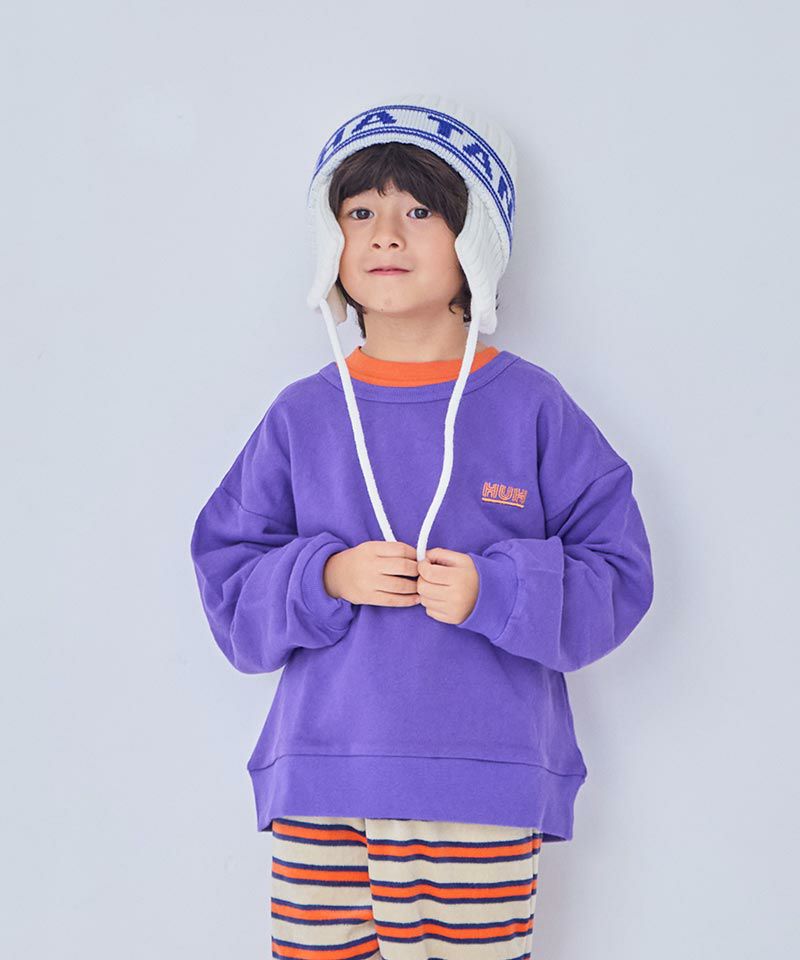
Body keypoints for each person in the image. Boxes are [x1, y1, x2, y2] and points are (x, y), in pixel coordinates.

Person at [190, 93, 654, 959]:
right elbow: (227, 577)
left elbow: (619, 571)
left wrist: (497, 589)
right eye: (360, 212)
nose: (386, 236)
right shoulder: (301, 416)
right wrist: (324, 577)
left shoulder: (532, 406)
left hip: (483, 783)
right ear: (329, 243)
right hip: (321, 780)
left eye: (420, 211)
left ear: (475, 244)